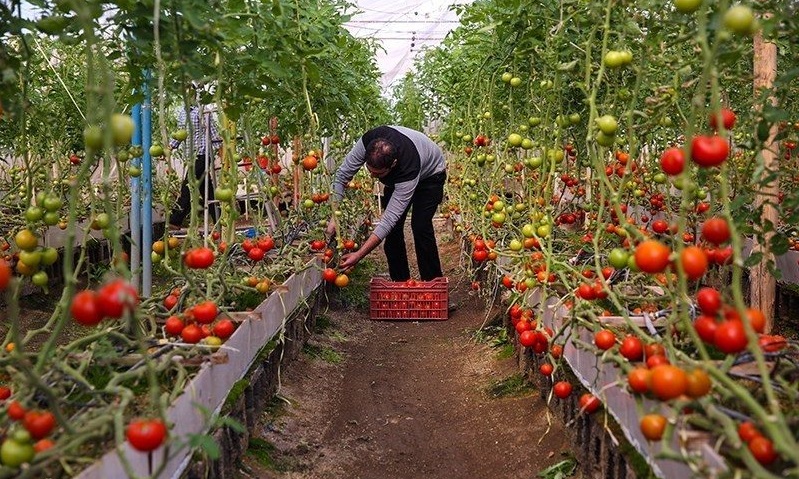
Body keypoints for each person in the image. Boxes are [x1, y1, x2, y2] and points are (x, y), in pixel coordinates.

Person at [327, 125, 447, 281]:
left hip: (431, 175)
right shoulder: (367, 142)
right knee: (394, 232)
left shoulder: (408, 167)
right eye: (369, 170)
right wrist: (333, 218)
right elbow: (341, 176)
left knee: (421, 226)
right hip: (401, 174)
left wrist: (359, 254)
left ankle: (433, 284)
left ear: (393, 164)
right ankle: (400, 284)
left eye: (377, 174)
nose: (372, 175)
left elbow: (388, 220)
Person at [167, 98, 221, 230]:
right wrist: (170, 147)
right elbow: (180, 133)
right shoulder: (182, 112)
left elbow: (214, 135)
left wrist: (221, 151)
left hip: (202, 155)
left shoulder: (202, 112)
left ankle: (176, 219)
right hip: (190, 157)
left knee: (189, 185)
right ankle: (219, 220)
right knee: (206, 189)